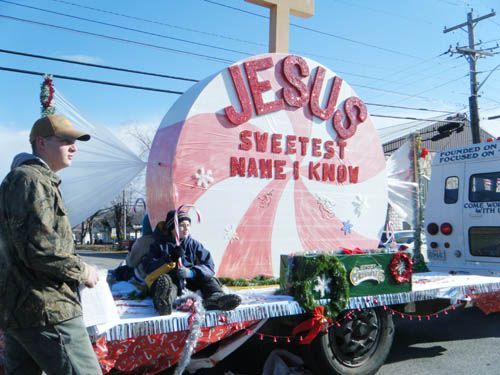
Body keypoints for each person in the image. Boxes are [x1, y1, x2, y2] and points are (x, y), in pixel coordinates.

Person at [0, 115, 102, 374]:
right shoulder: (32, 180)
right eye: (66, 140)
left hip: (21, 308)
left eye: (75, 141)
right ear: (41, 143)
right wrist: (83, 270)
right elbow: (41, 249)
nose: (74, 147)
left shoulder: (24, 180)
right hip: (48, 307)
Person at [142, 209, 241, 315]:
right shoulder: (159, 245)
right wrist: (169, 258)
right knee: (167, 284)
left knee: (209, 280)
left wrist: (192, 272)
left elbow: (209, 266)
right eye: (182, 225)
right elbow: (148, 266)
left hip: (190, 282)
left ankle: (216, 298)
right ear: (172, 228)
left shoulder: (194, 244)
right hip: (172, 280)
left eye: (188, 225)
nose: (186, 229)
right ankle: (164, 302)